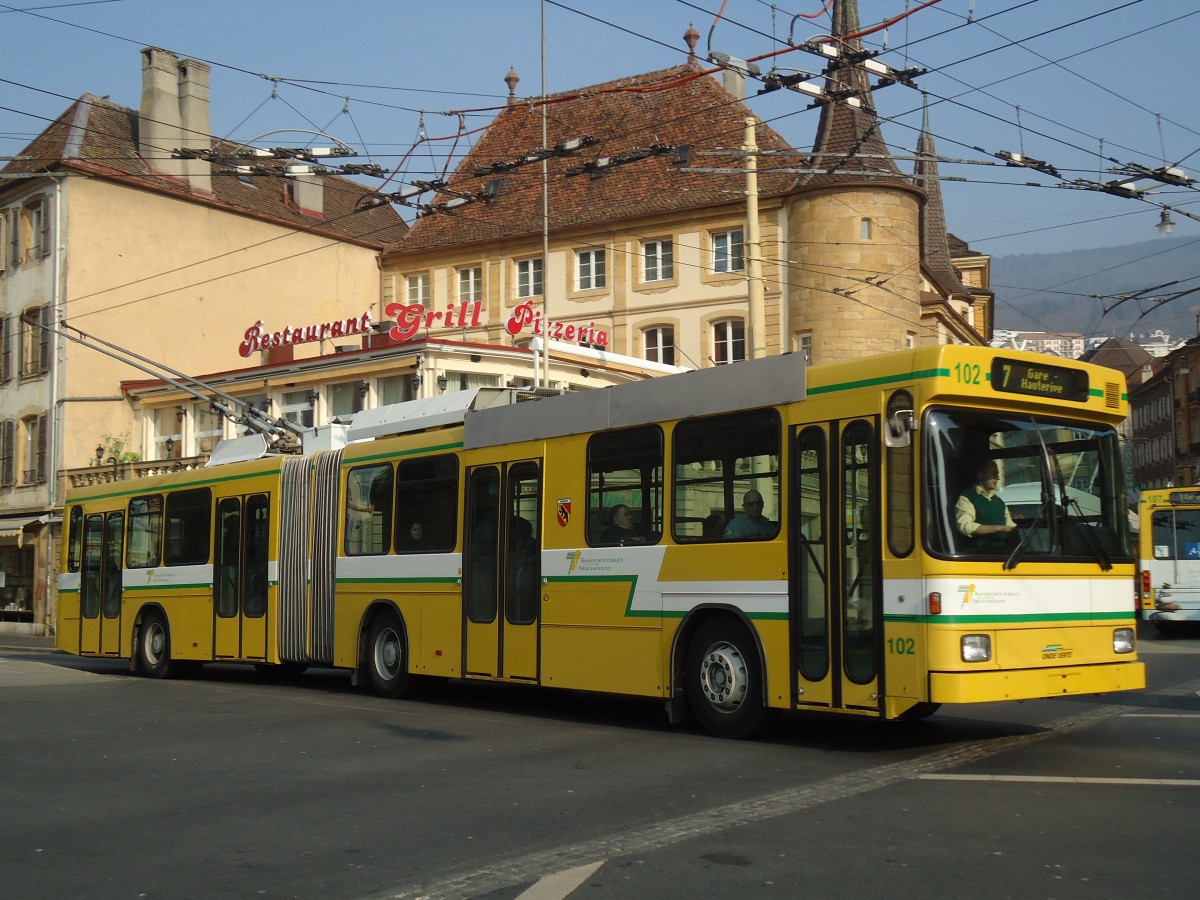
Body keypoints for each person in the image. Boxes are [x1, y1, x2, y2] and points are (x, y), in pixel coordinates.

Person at [956, 458, 1018, 549]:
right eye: (993, 474)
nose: (998, 478)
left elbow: (1010, 526)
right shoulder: (967, 498)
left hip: (1004, 553)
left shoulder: (998, 501)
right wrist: (999, 528)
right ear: (981, 475)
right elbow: (966, 527)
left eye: (997, 474)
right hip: (980, 556)